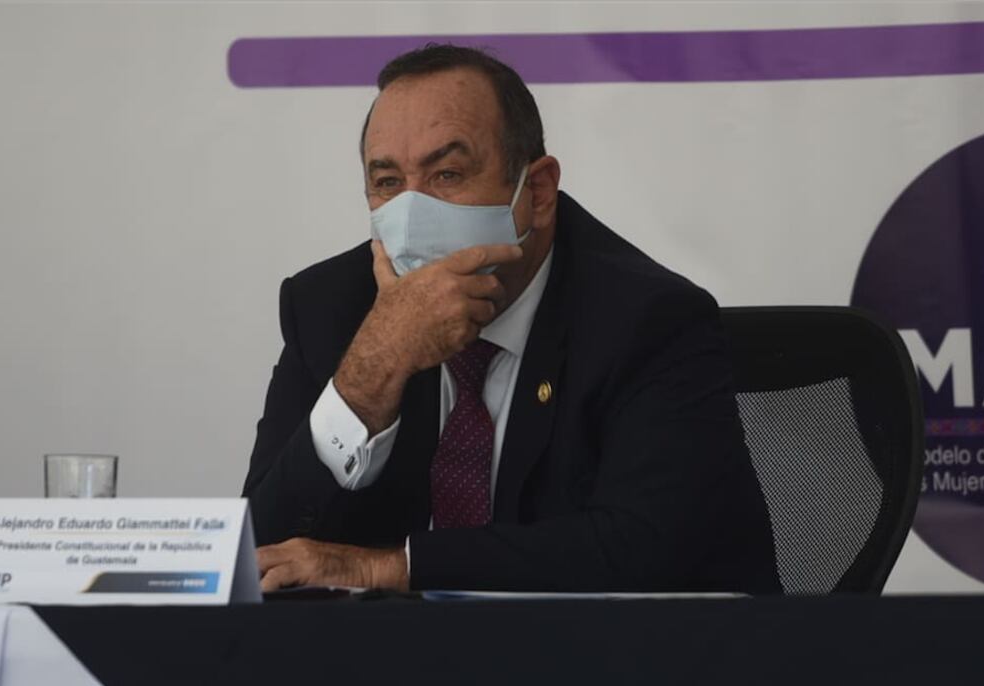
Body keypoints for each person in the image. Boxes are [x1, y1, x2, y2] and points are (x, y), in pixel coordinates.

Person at [242, 44, 779, 595]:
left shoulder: (648, 320)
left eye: (447, 173)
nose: (411, 211)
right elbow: (259, 553)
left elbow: (643, 548)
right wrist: (375, 366)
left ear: (537, 192)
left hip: (613, 647)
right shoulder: (329, 308)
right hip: (396, 651)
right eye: (387, 183)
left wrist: (388, 568)